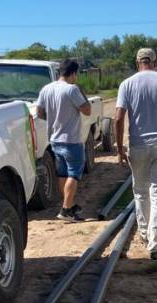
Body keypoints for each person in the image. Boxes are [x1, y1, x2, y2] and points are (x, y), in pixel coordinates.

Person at [115, 48, 157, 260]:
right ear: (154, 62)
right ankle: (154, 245)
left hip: (137, 145)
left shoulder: (126, 84)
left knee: (140, 191)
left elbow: (118, 119)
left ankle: (145, 235)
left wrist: (119, 148)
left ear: (137, 62)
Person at [37, 59, 92, 223]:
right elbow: (87, 110)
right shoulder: (72, 90)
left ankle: (69, 203)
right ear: (73, 73)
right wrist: (81, 93)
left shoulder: (46, 89)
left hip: (54, 139)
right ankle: (66, 209)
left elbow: (40, 112)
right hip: (71, 139)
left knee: (63, 174)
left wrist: (54, 120)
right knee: (74, 174)